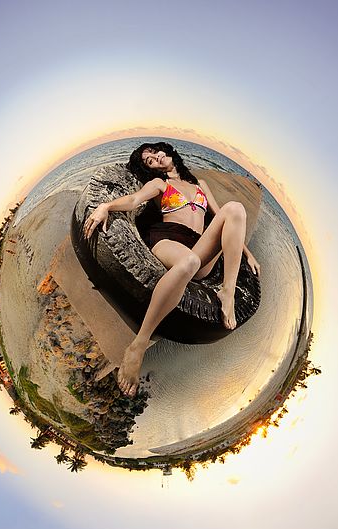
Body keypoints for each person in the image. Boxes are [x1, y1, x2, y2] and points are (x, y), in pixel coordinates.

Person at [84, 142, 260, 396]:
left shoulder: (200, 184)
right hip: (167, 240)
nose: (155, 158)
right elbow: (134, 200)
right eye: (149, 161)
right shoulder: (160, 185)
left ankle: (227, 292)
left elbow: (222, 217)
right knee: (188, 262)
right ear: (150, 169)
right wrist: (105, 207)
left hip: (198, 246)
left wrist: (249, 254)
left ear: (167, 151)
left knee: (235, 208)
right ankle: (138, 345)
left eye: (155, 152)